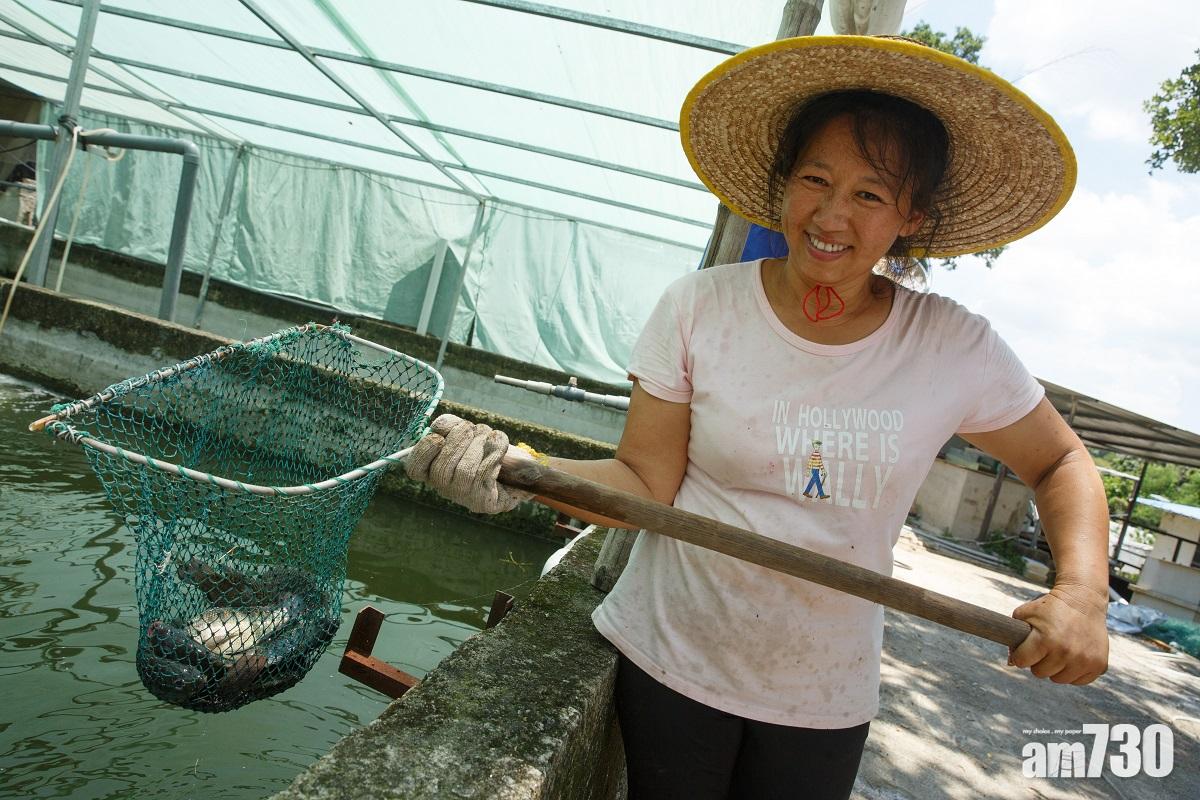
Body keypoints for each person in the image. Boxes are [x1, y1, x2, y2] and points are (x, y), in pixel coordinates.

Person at [405, 36, 1110, 800]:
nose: (831, 215)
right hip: (670, 655)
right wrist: (519, 470)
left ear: (912, 215)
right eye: (814, 179)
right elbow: (643, 480)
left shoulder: (952, 345)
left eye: (870, 195)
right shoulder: (700, 307)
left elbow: (1059, 462)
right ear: (782, 186)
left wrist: (1082, 594)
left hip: (823, 693)